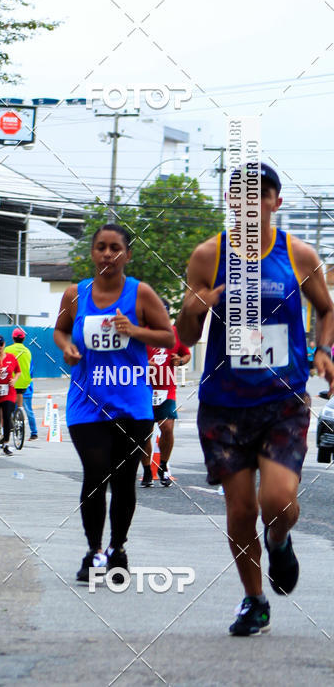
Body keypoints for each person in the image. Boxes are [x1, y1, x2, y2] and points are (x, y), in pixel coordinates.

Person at [177, 163, 334, 636]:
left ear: (274, 202)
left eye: (259, 196)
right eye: (239, 195)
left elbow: (327, 309)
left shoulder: (297, 254)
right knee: (241, 510)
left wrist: (324, 350)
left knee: (279, 503)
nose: (249, 204)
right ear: (230, 201)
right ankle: (254, 599)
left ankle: (281, 541)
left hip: (282, 399)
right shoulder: (208, 257)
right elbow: (183, 333)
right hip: (224, 404)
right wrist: (199, 304)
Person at [53, 222, 174, 582]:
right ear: (92, 253)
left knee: (123, 480)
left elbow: (168, 336)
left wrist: (134, 331)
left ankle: (117, 548)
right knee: (95, 473)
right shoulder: (75, 294)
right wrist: (67, 348)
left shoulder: (141, 294)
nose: (108, 254)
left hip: (131, 404)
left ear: (127, 254)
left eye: (115, 248)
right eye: (101, 247)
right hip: (86, 402)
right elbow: (60, 329)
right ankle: (93, 552)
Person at [141, 301, 191, 488]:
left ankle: (163, 467)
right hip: (143, 389)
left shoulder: (176, 333)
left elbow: (186, 354)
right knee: (144, 433)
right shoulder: (142, 332)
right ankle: (147, 470)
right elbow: (129, 357)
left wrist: (180, 360)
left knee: (167, 428)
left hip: (166, 388)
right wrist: (145, 363)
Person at [6, 327, 38, 440]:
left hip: (11, 383)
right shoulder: (28, 352)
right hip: (26, 385)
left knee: (6, 406)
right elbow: (31, 370)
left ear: (13, 338)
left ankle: (10, 426)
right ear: (24, 339)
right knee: (28, 409)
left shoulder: (7, 350)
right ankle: (34, 433)